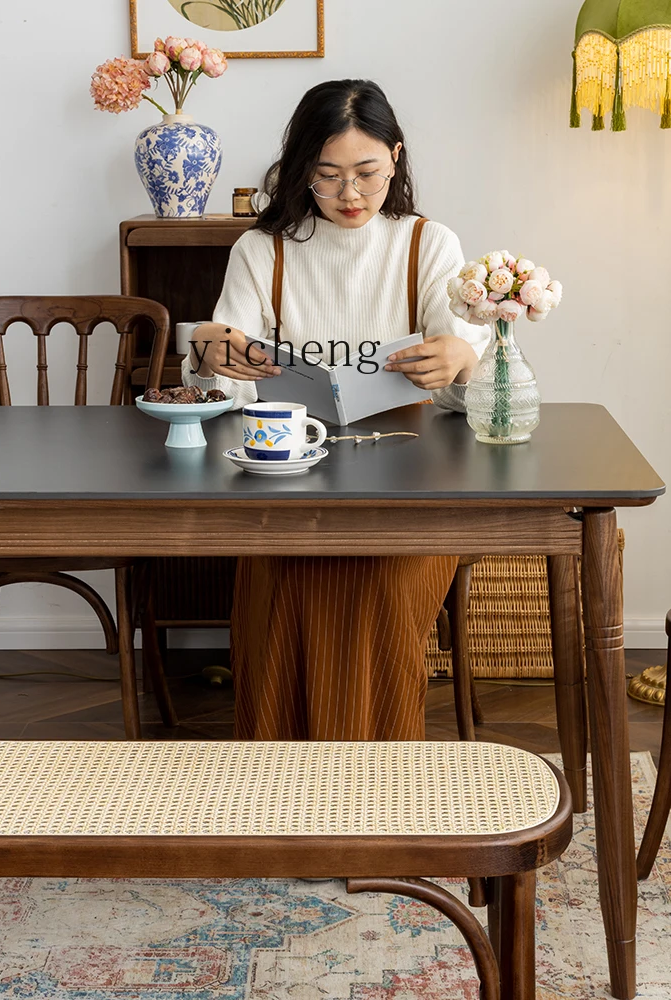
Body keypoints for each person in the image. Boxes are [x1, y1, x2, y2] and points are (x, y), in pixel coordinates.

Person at [182, 79, 487, 741]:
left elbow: (470, 358)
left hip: (413, 481)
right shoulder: (263, 250)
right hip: (284, 475)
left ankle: (371, 783)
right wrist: (213, 353)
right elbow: (222, 375)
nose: (350, 195)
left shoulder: (427, 244)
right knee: (285, 568)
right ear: (301, 172)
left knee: (375, 576)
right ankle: (280, 783)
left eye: (367, 174)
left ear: (396, 159)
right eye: (328, 176)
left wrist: (458, 355)